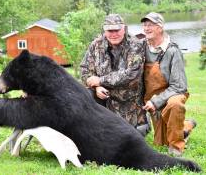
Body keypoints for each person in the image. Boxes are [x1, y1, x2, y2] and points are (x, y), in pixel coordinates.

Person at [80, 14, 150, 136]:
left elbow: (131, 74)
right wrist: (97, 87)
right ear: (104, 30)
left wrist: (100, 80)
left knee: (127, 136)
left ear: (124, 28)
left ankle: (144, 122)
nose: (113, 34)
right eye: (109, 31)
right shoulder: (96, 45)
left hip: (127, 102)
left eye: (117, 30)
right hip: (102, 97)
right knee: (83, 98)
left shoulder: (135, 45)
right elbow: (85, 70)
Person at [141, 12, 197, 156]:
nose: (146, 28)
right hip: (152, 100)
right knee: (161, 141)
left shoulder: (172, 51)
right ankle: (187, 126)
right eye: (145, 25)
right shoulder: (142, 47)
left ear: (160, 28)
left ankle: (176, 148)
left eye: (151, 25)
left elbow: (179, 86)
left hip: (172, 96)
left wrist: (156, 101)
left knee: (175, 104)